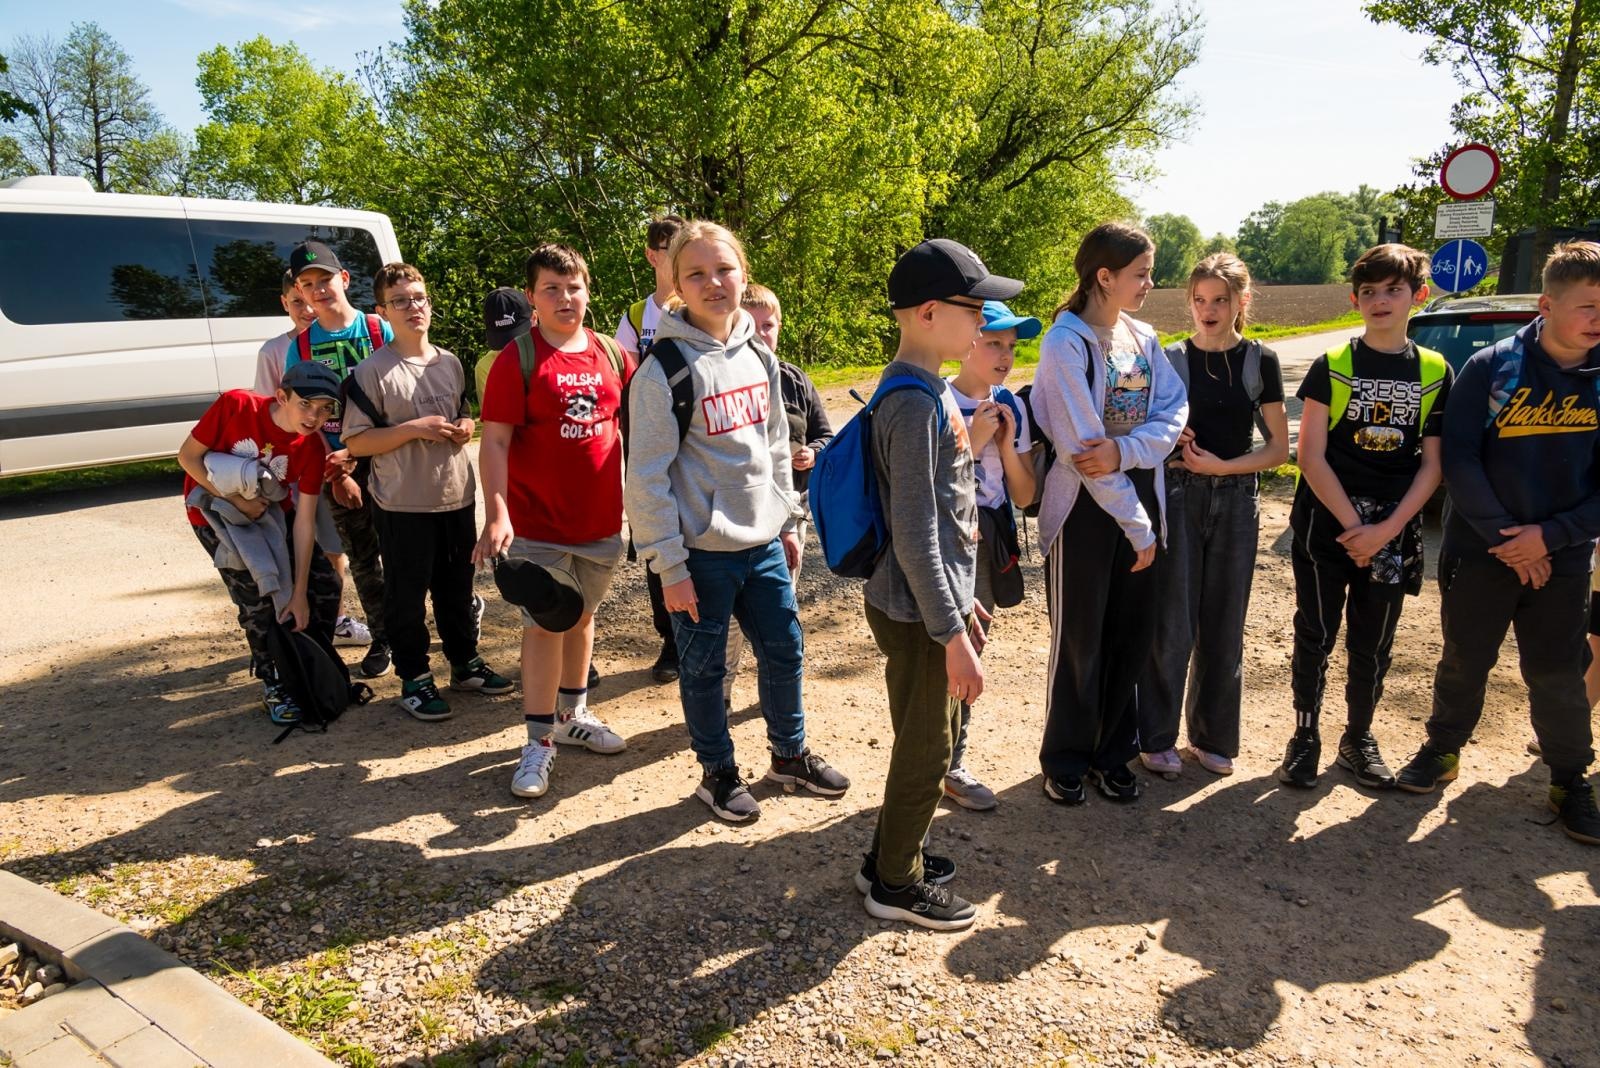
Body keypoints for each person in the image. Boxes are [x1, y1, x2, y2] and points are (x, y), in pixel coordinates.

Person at [625, 220, 848, 823]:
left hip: (765, 541)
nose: (713, 283)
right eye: (695, 273)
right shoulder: (662, 370)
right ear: (676, 282)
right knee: (704, 666)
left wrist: (788, 520)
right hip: (699, 553)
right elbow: (644, 477)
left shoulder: (758, 353)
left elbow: (777, 445)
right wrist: (668, 565)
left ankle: (789, 756)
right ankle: (717, 773)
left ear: (742, 273)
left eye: (723, 269)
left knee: (786, 651)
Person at [1397, 240, 1600, 846]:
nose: (1598, 319)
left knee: (1560, 671)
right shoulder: (1493, 367)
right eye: (1589, 306)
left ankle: (1570, 780)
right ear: (1547, 304)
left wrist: (1550, 538)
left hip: (1561, 558)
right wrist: (1511, 539)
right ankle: (1442, 750)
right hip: (1481, 552)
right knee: (1465, 658)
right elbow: (1459, 459)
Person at [854, 238, 1019, 930]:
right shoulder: (915, 406)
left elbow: (948, 524)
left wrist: (963, 602)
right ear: (928, 313)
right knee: (928, 748)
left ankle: (891, 853)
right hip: (920, 611)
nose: (984, 321)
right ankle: (895, 885)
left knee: (927, 734)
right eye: (973, 307)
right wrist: (952, 632)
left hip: (931, 602)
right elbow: (919, 533)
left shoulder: (922, 391)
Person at [1279, 243, 1450, 790]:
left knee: (1373, 642)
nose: (1381, 300)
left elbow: (1432, 466)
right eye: (1370, 292)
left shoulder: (1434, 370)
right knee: (1317, 633)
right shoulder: (1334, 365)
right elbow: (1308, 454)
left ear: (1417, 297)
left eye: (1393, 290)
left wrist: (1386, 530)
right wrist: (1356, 526)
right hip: (1326, 525)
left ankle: (1359, 736)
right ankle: (1305, 735)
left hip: (1392, 532)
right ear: (1355, 300)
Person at [1032, 223, 1188, 806]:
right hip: (1086, 514)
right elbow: (1082, 448)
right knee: (1081, 640)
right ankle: (1066, 757)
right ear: (1105, 276)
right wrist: (1134, 519)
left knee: (1130, 635)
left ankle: (1112, 752)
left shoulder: (1143, 336)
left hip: (1139, 499)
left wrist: (1128, 450)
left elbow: (1174, 411)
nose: (1150, 283)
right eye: (1142, 272)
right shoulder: (1064, 343)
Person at [474, 243, 633, 799]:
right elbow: (493, 440)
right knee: (544, 624)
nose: (565, 298)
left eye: (573, 288)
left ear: (587, 291)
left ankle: (572, 717)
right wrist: (496, 514)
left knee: (582, 616)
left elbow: (635, 432)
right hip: (536, 524)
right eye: (551, 289)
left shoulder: (614, 355)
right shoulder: (517, 360)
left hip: (600, 523)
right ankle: (538, 741)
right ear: (532, 299)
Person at [342, 263, 513, 722]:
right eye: (400, 301)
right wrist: (412, 429)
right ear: (381, 312)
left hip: (456, 495)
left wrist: (464, 427)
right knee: (407, 595)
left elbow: (463, 415)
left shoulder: (451, 362)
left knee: (457, 589)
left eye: (419, 297)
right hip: (401, 503)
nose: (413, 307)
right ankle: (414, 679)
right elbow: (356, 442)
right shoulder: (371, 372)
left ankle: (465, 664)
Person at [1142, 254, 1289, 778]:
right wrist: (1168, 440)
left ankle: (1213, 737)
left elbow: (1278, 451)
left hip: (1236, 501)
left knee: (1225, 624)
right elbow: (1146, 433)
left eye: (1220, 300)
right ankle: (1155, 737)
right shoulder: (1169, 359)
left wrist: (1225, 466)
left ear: (1241, 302)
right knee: (1172, 621)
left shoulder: (1260, 361)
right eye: (1200, 299)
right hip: (1179, 496)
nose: (1208, 310)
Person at [177, 361, 343, 725]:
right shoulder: (237, 405)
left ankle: (308, 662)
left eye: (324, 409)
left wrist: (299, 592)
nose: (313, 417)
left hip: (271, 512)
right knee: (258, 597)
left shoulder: (311, 448)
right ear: (282, 396)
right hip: (213, 510)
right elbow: (187, 457)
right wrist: (237, 500)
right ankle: (274, 683)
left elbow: (303, 522)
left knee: (325, 585)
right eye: (305, 404)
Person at [939, 300, 1040, 810]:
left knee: (972, 651)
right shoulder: (937, 400)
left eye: (1012, 346)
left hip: (991, 542)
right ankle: (935, 763)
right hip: (945, 545)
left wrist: (1002, 445)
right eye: (994, 341)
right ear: (969, 340)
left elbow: (1024, 496)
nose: (1004, 355)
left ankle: (951, 762)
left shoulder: (1012, 406)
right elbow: (926, 490)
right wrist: (973, 441)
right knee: (944, 652)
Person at [721, 283, 834, 712]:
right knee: (732, 615)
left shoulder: (794, 379)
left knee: (778, 609)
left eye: (769, 325)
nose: (761, 333)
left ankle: (778, 693)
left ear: (779, 328)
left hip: (791, 511)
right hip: (737, 515)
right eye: (752, 325)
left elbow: (826, 433)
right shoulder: (722, 377)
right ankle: (723, 691)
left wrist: (814, 453)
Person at [287, 240, 395, 680]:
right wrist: (336, 472)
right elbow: (304, 422)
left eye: (326, 280)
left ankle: (448, 617)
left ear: (344, 279)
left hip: (387, 457)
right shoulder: (302, 346)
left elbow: (400, 395)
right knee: (364, 559)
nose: (319, 290)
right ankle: (384, 639)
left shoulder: (377, 329)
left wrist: (360, 452)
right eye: (308, 284)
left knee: (408, 552)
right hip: (337, 467)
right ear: (299, 290)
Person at [252, 268, 372, 650]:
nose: (308, 306)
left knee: (354, 548)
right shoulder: (282, 350)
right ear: (287, 302)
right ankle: (323, 620)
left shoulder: (370, 329)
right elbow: (273, 412)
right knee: (318, 543)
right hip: (308, 463)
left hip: (353, 457)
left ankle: (352, 623)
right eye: (299, 299)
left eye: (313, 295)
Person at [616, 214, 688, 684]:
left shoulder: (702, 300)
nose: (676, 256)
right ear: (652, 255)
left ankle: (711, 636)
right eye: (668, 248)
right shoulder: (637, 317)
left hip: (697, 441)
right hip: (650, 438)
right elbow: (623, 380)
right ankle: (670, 639)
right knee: (655, 535)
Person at [476, 286, 533, 406]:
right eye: (502, 342)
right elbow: (493, 418)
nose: (511, 349)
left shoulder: (555, 353)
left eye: (518, 339)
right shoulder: (486, 367)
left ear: (534, 319)